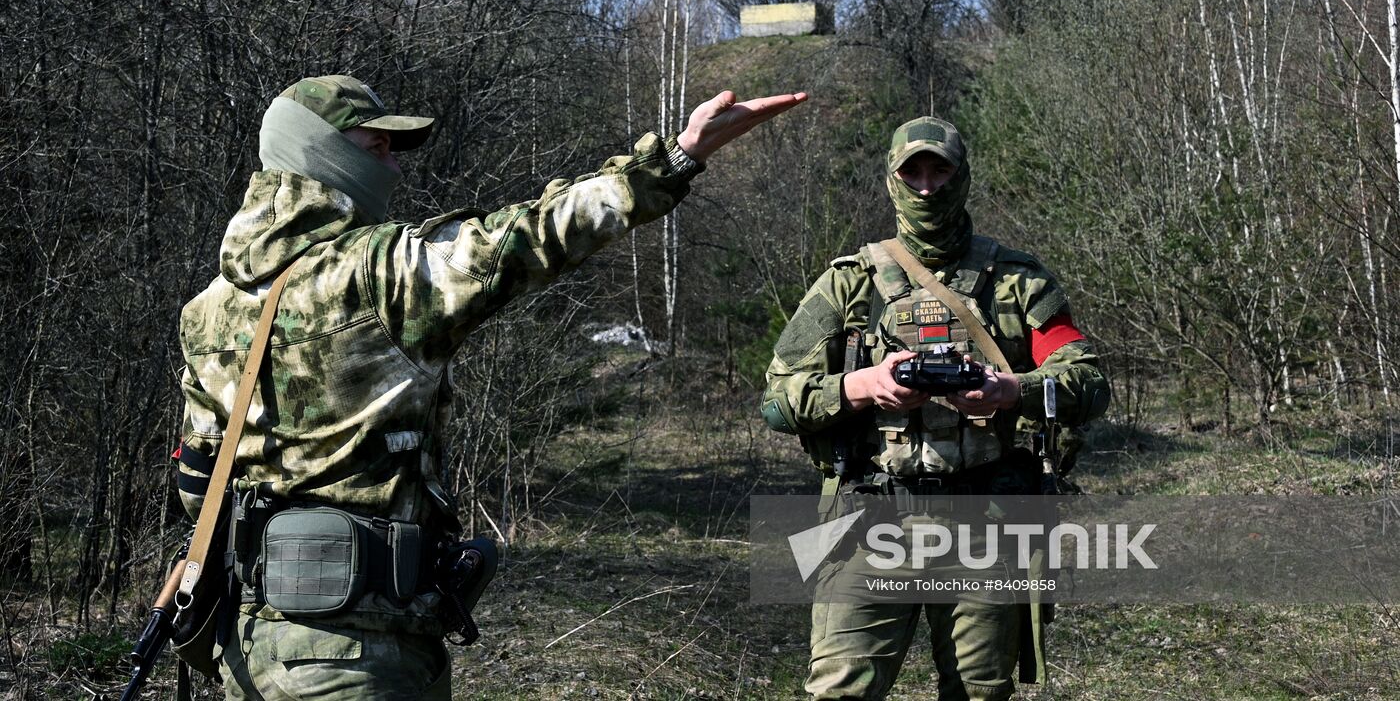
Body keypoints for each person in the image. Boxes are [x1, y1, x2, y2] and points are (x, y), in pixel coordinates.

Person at [175, 74, 805, 699]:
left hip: (256, 642)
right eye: (376, 150)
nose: (394, 168)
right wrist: (674, 159)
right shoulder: (380, 274)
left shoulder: (209, 308)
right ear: (321, 154)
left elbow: (196, 482)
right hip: (352, 657)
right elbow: (528, 236)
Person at [761, 116, 1110, 701]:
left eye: (940, 170)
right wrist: (863, 385)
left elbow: (1089, 384)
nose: (927, 186)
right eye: (913, 172)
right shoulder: (850, 284)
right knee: (840, 690)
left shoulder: (1017, 283)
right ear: (893, 181)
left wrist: (1011, 390)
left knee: (979, 693)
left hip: (986, 524)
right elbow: (776, 401)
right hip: (865, 522)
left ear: (962, 175)